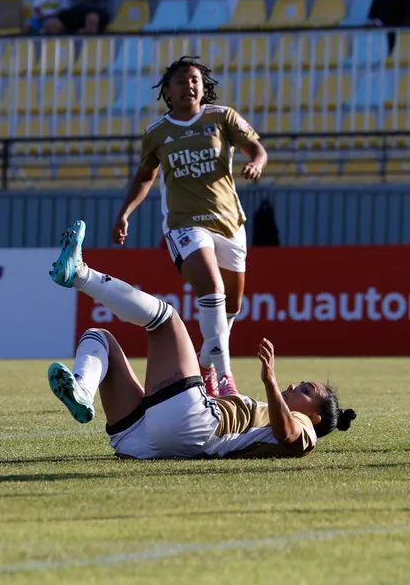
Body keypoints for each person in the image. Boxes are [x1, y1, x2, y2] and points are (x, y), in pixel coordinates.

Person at [47, 219, 352, 458]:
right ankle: (83, 391)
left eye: (305, 390)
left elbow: (289, 435)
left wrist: (270, 382)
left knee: (166, 319)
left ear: (314, 417)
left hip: (191, 426)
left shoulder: (305, 429)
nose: (293, 385)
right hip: (142, 441)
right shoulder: (271, 416)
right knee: (98, 337)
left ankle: (80, 274)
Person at [111, 57, 268, 398]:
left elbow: (256, 149)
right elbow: (144, 177)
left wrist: (256, 162)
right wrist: (125, 213)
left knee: (231, 307)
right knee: (212, 288)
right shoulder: (156, 133)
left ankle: (205, 363)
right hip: (184, 225)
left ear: (203, 85)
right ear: (167, 91)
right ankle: (225, 379)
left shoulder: (222, 117)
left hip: (229, 223)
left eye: (194, 80)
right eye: (181, 81)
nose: (189, 86)